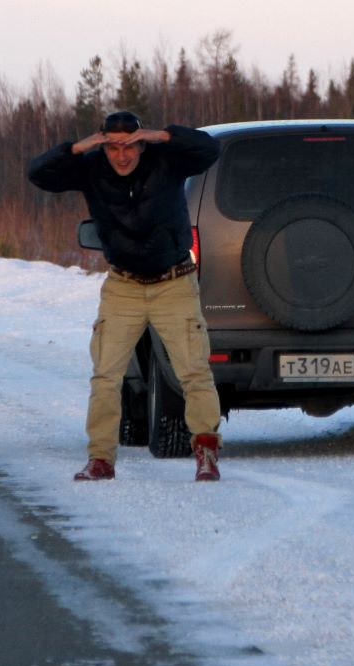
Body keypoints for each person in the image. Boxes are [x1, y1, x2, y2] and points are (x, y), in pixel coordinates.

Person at [28, 111, 223, 482]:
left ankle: (206, 453)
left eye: (130, 145)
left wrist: (164, 135)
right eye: (113, 147)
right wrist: (77, 147)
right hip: (123, 287)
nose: (122, 155)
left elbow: (209, 150)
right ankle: (100, 459)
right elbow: (39, 174)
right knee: (105, 376)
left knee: (194, 371)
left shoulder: (167, 160)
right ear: (103, 144)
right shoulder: (89, 167)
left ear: (141, 142)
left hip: (174, 283)